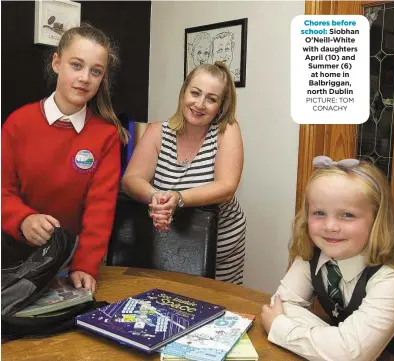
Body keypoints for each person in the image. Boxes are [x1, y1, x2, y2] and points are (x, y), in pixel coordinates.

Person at [1, 24, 128, 294]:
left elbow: (100, 209)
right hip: (10, 255)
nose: (85, 78)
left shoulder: (106, 136)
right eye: (76, 65)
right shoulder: (18, 123)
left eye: (95, 71)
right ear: (57, 62)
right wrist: (23, 219)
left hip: (67, 262)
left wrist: (85, 264)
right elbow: (3, 190)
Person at [261, 156, 394, 361]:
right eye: (319, 213)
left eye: (347, 215)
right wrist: (338, 344)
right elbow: (282, 305)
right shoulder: (311, 255)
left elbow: (350, 356)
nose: (330, 226)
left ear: (376, 220)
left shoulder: (390, 279)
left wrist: (280, 328)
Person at [122, 61, 246, 284]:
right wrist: (157, 198)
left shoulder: (227, 131)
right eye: (195, 93)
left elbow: (227, 187)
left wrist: (178, 198)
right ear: (183, 92)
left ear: (221, 105)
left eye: (211, 99)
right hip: (168, 243)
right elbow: (131, 180)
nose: (200, 104)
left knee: (216, 308)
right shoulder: (157, 131)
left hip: (221, 246)